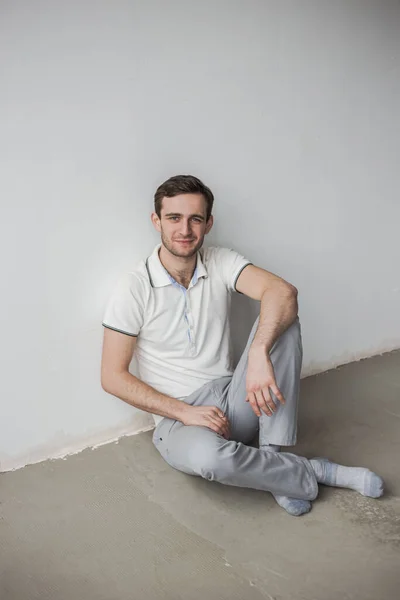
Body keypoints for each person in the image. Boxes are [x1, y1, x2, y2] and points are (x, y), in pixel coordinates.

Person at [101, 174, 384, 516]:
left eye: (195, 219)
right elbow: (112, 377)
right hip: (177, 419)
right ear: (156, 220)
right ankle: (312, 471)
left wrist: (257, 351)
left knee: (283, 322)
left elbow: (282, 292)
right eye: (174, 218)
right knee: (210, 459)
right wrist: (186, 412)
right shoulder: (133, 287)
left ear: (208, 223)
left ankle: (274, 457)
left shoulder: (219, 260)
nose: (185, 229)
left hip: (234, 398)